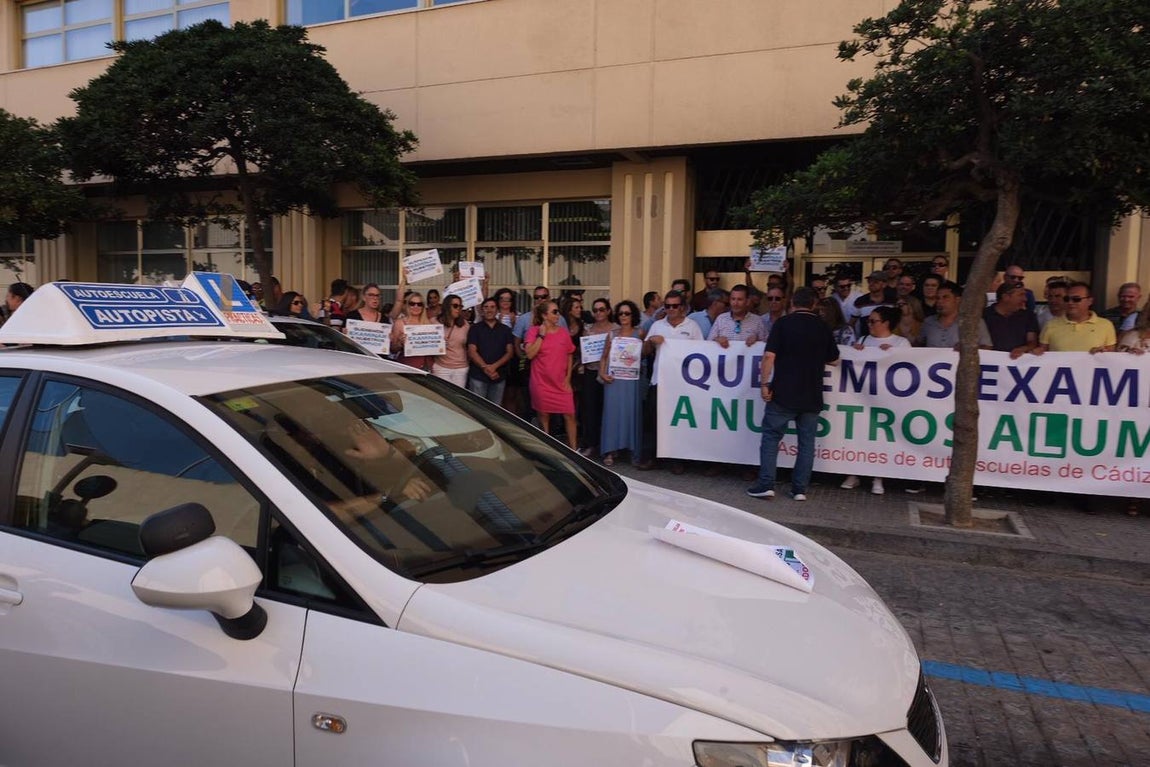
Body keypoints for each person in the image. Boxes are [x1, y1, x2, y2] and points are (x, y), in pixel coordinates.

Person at [746, 288, 840, 501]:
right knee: (807, 443)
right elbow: (834, 359)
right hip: (812, 395)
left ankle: (766, 484)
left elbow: (769, 356)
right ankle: (800, 489)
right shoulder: (822, 326)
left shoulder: (783, 324)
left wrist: (764, 384)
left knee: (771, 438)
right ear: (814, 304)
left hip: (783, 393)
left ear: (792, 303)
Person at [842, 305, 909, 495]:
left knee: (880, 438)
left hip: (887, 401)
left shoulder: (901, 343)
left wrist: (895, 354)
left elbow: (911, 367)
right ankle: (853, 474)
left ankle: (878, 477)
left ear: (886, 323)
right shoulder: (863, 339)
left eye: (873, 321)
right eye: (868, 321)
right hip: (862, 398)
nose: (869, 324)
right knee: (858, 436)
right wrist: (855, 351)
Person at [639, 290, 702, 473]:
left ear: (682, 307)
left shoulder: (692, 326)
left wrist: (666, 341)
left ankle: (678, 460)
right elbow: (644, 352)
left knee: (679, 421)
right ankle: (650, 457)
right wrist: (650, 342)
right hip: (659, 379)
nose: (671, 309)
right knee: (653, 420)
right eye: (667, 306)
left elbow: (701, 353)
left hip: (684, 382)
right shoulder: (657, 325)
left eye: (675, 306)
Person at [524, 300, 577, 449]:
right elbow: (529, 354)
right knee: (544, 417)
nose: (558, 315)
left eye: (558, 311)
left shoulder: (563, 333)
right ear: (544, 315)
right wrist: (541, 336)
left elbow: (569, 354)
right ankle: (548, 450)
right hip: (541, 383)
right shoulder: (533, 331)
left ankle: (574, 450)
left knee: (570, 415)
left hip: (561, 382)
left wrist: (568, 378)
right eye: (554, 312)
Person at [598, 299, 645, 467]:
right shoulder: (612, 334)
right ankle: (610, 450)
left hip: (632, 381)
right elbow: (604, 357)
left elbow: (645, 354)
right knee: (612, 414)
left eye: (627, 313)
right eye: (621, 313)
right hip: (614, 380)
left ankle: (633, 451)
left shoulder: (640, 333)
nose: (624, 316)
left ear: (633, 315)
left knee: (631, 413)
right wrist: (602, 373)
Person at [578, 298, 617, 457]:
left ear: (608, 311)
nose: (598, 313)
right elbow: (583, 352)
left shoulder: (616, 329)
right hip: (591, 372)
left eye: (602, 309)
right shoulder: (588, 330)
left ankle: (610, 447)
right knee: (590, 410)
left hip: (611, 373)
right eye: (595, 310)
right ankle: (591, 444)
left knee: (609, 410)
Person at [1033, 281, 1116, 353]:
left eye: (1076, 299)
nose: (1070, 302)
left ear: (1090, 301)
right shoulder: (1050, 325)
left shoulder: (1106, 325)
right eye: (1066, 299)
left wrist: (1102, 353)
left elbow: (1110, 357)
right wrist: (1035, 353)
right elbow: (1042, 354)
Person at [466, 297, 516, 404]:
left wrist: (493, 367)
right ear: (482, 310)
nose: (489, 310)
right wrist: (486, 368)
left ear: (497, 310)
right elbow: (472, 351)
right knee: (477, 408)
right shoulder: (475, 329)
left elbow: (510, 352)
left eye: (492, 307)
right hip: (478, 376)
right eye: (486, 307)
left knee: (495, 410)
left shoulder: (505, 330)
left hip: (498, 376)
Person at [918, 281, 992, 350]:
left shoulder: (974, 322)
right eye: (937, 298)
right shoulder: (928, 322)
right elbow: (918, 345)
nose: (940, 301)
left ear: (957, 300)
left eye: (945, 297)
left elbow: (987, 347)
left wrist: (967, 349)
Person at [983, 282, 1039, 358]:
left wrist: (1023, 349)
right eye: (1021, 295)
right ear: (1006, 297)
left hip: (1019, 365)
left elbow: (1032, 341)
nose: (1025, 299)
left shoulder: (1028, 316)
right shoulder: (984, 315)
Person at [430, 295, 469, 386]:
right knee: (441, 397)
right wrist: (437, 342)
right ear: (447, 306)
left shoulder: (465, 324)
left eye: (460, 306)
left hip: (461, 367)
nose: (458, 309)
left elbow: (468, 346)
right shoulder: (433, 322)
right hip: (441, 366)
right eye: (455, 306)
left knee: (458, 397)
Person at [391, 291, 434, 370]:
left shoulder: (428, 323)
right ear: (408, 305)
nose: (416, 306)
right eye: (412, 303)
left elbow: (434, 348)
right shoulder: (400, 323)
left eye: (419, 304)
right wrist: (400, 343)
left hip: (426, 366)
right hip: (407, 365)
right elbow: (393, 349)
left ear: (423, 306)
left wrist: (439, 342)